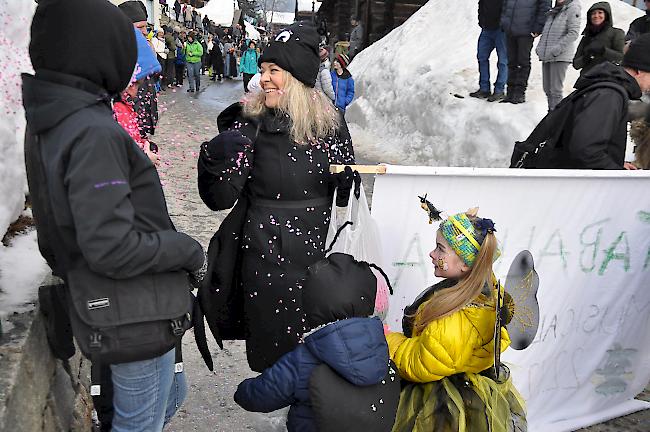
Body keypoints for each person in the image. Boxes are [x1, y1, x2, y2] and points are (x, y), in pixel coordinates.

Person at [22, 0, 205, 429]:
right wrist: (187, 250)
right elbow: (111, 247)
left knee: (169, 399)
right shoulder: (90, 129)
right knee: (140, 424)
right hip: (130, 308)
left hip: (124, 301)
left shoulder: (54, 115)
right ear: (97, 49)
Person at [197, 22, 355, 373]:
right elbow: (218, 197)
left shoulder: (330, 124)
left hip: (317, 256)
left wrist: (347, 181)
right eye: (263, 69)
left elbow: (343, 194)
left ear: (298, 78)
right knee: (276, 359)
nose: (264, 78)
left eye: (275, 71)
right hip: (267, 257)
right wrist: (214, 159)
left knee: (317, 356)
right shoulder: (249, 122)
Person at [387, 208, 526, 431]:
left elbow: (421, 363)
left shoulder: (458, 319)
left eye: (440, 249)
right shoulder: (479, 292)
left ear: (465, 263)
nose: (432, 254)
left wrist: (387, 340)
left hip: (443, 404)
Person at [234, 254, 394, 432]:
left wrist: (243, 390)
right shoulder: (380, 346)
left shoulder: (305, 360)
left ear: (312, 304)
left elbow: (260, 396)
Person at [540, 34, 650, 169]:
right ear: (639, 70)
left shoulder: (608, 87)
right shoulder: (609, 95)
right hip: (570, 185)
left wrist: (614, 163)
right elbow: (585, 150)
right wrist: (618, 172)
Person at [113, 28, 161, 165]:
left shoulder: (123, 105)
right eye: (133, 84)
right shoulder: (114, 110)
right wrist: (143, 158)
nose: (134, 93)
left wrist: (144, 143)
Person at [119, 1, 160, 137]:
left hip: (145, 110)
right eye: (140, 27)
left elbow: (154, 78)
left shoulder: (146, 46)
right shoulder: (118, 51)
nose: (144, 31)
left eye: (145, 27)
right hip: (130, 114)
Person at [500, 0, 551, 104]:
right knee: (511, 61)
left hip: (526, 30)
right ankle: (510, 92)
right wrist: (503, 22)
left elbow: (544, 7)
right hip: (510, 29)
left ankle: (519, 93)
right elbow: (505, 5)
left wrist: (538, 27)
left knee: (523, 62)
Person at [535, 0, 582, 110]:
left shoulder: (573, 7)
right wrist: (540, 47)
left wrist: (556, 49)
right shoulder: (555, 10)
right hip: (547, 55)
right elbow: (546, 32)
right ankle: (551, 113)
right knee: (547, 89)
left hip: (560, 56)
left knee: (555, 90)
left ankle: (555, 119)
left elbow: (573, 33)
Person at [470, 0, 508, 102]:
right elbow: (481, 4)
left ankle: (499, 90)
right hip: (486, 28)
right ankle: (484, 88)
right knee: (481, 56)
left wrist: (504, 23)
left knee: (503, 61)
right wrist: (481, 20)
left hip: (501, 29)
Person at [573, 2, 625, 76]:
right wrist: (587, 56)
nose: (596, 16)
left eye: (600, 13)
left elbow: (621, 58)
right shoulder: (586, 37)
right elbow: (576, 64)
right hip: (587, 78)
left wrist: (603, 51)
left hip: (608, 77)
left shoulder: (616, 33)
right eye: (593, 13)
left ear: (606, 15)